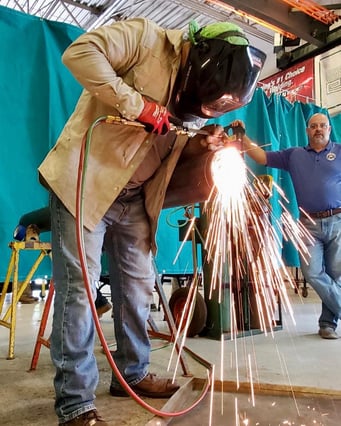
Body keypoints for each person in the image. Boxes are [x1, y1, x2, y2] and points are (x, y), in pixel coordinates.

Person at [38, 17, 264, 425]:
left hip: (137, 198)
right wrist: (137, 104)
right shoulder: (144, 38)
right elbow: (79, 53)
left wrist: (200, 141)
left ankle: (132, 372)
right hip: (86, 180)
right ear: (197, 58)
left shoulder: (197, 93)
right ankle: (75, 404)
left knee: (139, 290)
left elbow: (170, 137)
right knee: (81, 294)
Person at [228, 113, 341, 341]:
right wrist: (242, 136)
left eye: (322, 126)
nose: (318, 129)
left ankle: (327, 324)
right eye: (313, 126)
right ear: (307, 130)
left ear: (329, 129)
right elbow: (261, 157)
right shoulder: (294, 155)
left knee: (336, 275)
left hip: (338, 220)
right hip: (308, 224)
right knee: (313, 274)